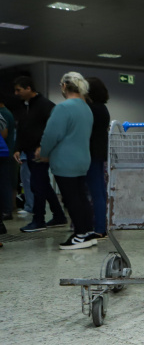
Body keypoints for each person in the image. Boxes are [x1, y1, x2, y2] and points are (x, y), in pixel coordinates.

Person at [36, 72, 96, 250]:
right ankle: (87, 232)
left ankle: (79, 235)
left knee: (71, 199)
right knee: (81, 197)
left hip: (65, 161)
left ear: (63, 86)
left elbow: (51, 135)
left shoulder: (63, 108)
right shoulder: (86, 108)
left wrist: (43, 152)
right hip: (82, 159)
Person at [13, 76, 67, 232]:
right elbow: (22, 129)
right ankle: (59, 216)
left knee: (37, 185)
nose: (17, 93)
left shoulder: (45, 105)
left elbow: (52, 129)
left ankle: (39, 219)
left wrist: (43, 147)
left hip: (40, 152)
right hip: (29, 150)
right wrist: (18, 148)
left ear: (28, 88)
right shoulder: (25, 107)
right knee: (42, 183)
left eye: (19, 90)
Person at [85, 77, 111, 239]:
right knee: (100, 191)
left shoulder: (92, 109)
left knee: (96, 192)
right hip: (100, 152)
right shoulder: (102, 108)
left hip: (92, 153)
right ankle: (102, 225)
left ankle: (100, 228)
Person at [0, 96, 15, 224]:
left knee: (4, 182)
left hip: (3, 153)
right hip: (5, 151)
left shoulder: (3, 114)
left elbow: (4, 133)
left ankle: (6, 210)